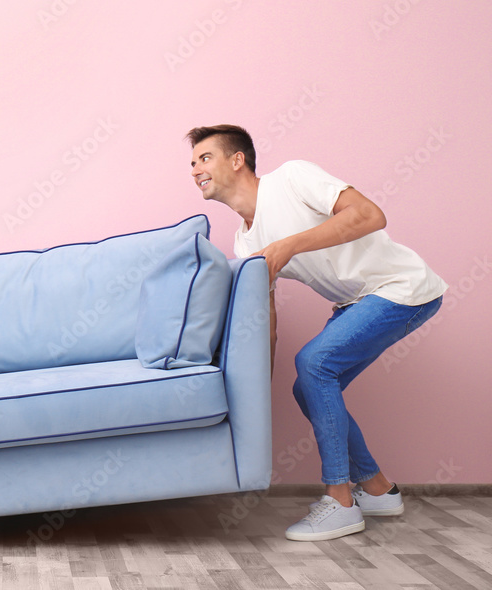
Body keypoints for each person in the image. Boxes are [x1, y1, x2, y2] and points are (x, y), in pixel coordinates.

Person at [186, 125, 446, 542]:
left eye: (205, 157)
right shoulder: (245, 243)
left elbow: (371, 216)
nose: (196, 169)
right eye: (192, 162)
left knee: (314, 363)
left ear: (237, 160)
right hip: (355, 304)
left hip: (400, 287)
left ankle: (340, 501)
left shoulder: (292, 178)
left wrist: (289, 245)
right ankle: (378, 490)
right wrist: (257, 391)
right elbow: (267, 320)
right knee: (306, 386)